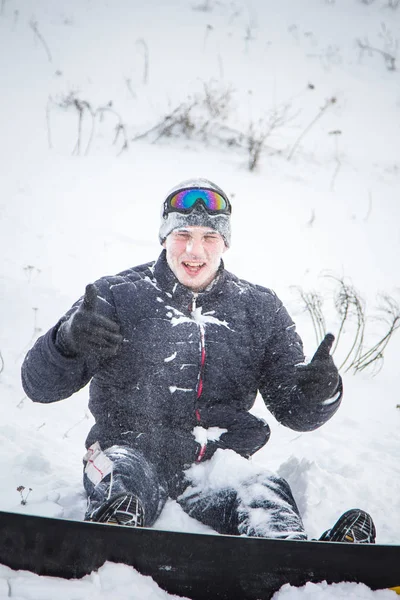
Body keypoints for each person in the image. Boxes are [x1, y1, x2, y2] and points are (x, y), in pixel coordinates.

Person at [21, 178, 376, 543]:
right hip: (128, 450)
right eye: (182, 235)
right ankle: (113, 534)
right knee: (120, 479)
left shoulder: (260, 308)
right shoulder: (114, 295)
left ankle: (296, 555)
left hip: (216, 466)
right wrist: (66, 343)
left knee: (263, 492)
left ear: (225, 243)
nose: (194, 250)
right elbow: (38, 387)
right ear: (164, 237)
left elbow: (295, 411)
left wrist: (321, 391)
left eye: (209, 237)